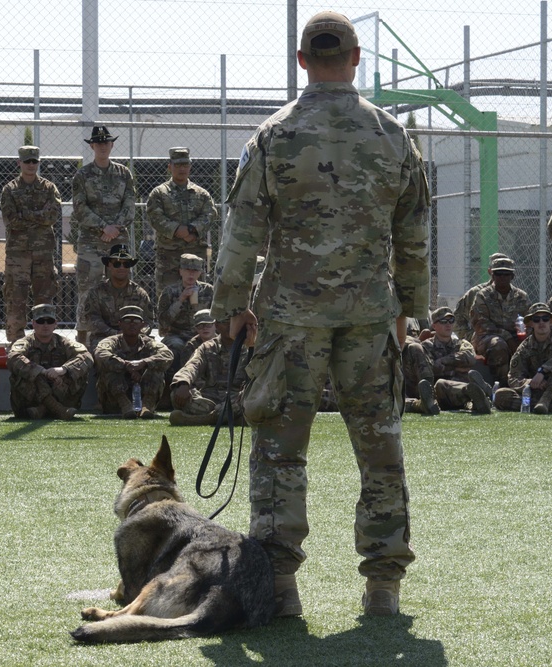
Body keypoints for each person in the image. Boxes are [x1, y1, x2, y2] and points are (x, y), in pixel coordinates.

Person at [210, 12, 430, 617]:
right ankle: (382, 588)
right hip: (369, 315)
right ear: (356, 57)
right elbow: (414, 236)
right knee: (379, 450)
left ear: (302, 60)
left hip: (289, 317)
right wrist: (408, 311)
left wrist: (231, 308)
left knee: (280, 453)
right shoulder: (391, 135)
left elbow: (242, 234)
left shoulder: (275, 135)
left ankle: (281, 588)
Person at [70, 126, 136, 344]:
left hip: (118, 242)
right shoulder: (82, 175)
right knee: (87, 291)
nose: (102, 146)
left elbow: (129, 205)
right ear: (92, 146)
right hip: (91, 243)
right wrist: (102, 227)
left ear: (112, 145)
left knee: (121, 288)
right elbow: (80, 208)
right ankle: (84, 345)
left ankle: (122, 339)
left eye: (106, 143)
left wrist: (114, 227)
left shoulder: (124, 174)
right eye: (98, 143)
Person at [0, 145, 62, 343]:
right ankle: (16, 343)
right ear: (19, 163)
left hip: (43, 255)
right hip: (18, 256)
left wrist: (25, 214)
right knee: (16, 299)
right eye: (27, 161)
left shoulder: (49, 188)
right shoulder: (10, 190)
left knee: (44, 299)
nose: (31, 165)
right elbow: (11, 220)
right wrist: (38, 217)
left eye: (34, 161)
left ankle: (42, 342)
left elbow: (53, 215)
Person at [146, 147, 217, 298]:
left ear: (190, 166)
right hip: (169, 258)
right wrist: (177, 230)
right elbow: (155, 217)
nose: (182, 169)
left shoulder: (201, 194)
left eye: (185, 165)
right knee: (167, 300)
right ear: (169, 166)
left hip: (195, 257)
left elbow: (210, 214)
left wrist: (192, 229)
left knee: (198, 300)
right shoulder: (159, 193)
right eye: (178, 165)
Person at [7, 303, 93, 420]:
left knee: (75, 371)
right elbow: (13, 357)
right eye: (41, 321)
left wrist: (64, 369)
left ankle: (43, 409)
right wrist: (41, 371)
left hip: (61, 396)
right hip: (29, 402)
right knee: (32, 375)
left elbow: (87, 357)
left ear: (55, 324)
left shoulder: (63, 342)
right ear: (33, 324)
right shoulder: (25, 343)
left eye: (50, 321)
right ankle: (58, 410)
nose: (45, 325)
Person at [400, 307, 491, 415]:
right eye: (443, 321)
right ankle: (477, 393)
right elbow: (431, 369)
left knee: (460, 389)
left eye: (451, 321)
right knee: (441, 384)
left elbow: (469, 358)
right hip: (440, 392)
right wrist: (456, 366)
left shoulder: (462, 343)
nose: (448, 324)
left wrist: (443, 361)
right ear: (434, 325)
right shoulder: (427, 346)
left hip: (458, 387)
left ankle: (478, 400)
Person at [94, 305, 173, 419]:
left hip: (142, 391)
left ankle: (147, 406)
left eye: (136, 320)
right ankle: (125, 405)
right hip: (115, 399)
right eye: (127, 320)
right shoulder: (111, 341)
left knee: (156, 369)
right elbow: (100, 353)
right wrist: (126, 365)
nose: (132, 324)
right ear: (119, 323)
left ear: (142, 324)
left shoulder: (149, 342)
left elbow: (167, 355)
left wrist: (144, 363)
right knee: (109, 368)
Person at [169, 321, 248, 426]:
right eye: (225, 322)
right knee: (176, 393)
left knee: (252, 398)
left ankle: (206, 419)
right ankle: (231, 418)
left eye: (233, 322)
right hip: (209, 401)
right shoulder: (207, 347)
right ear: (217, 325)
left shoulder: (249, 346)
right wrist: (183, 382)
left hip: (237, 398)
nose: (230, 326)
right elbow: (192, 365)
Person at [470, 256, 530, 386]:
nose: (502, 277)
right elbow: (480, 324)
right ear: (492, 275)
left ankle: (525, 382)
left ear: (512, 276)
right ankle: (501, 385)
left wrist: (525, 338)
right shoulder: (483, 295)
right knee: (498, 345)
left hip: (515, 336)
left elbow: (528, 322)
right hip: (486, 338)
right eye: (498, 273)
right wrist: (507, 337)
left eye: (506, 274)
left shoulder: (521, 297)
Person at [80, 244, 152, 351]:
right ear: (109, 265)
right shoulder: (96, 292)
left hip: (134, 338)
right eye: (117, 264)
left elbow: (148, 321)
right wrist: (115, 333)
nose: (122, 268)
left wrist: (135, 333)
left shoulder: (140, 294)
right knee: (101, 354)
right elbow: (91, 319)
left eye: (126, 264)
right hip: (103, 338)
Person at [493, 303, 552, 413]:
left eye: (545, 318)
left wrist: (542, 371)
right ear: (531, 323)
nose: (541, 322)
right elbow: (513, 377)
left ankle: (545, 403)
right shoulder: (525, 347)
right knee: (501, 396)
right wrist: (531, 382)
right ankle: (546, 406)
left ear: (551, 322)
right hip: (538, 391)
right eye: (536, 319)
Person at [157, 253, 214, 367]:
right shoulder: (169, 291)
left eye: (195, 270)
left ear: (200, 273)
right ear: (181, 271)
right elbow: (163, 322)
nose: (191, 274)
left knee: (215, 346)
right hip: (177, 335)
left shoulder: (208, 290)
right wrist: (180, 300)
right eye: (187, 270)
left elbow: (217, 317)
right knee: (176, 347)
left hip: (202, 333)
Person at [452, 252, 509, 342]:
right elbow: (457, 317)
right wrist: (468, 336)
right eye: (498, 271)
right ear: (490, 271)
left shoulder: (517, 295)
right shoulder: (475, 293)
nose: (502, 275)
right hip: (483, 341)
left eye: (506, 272)